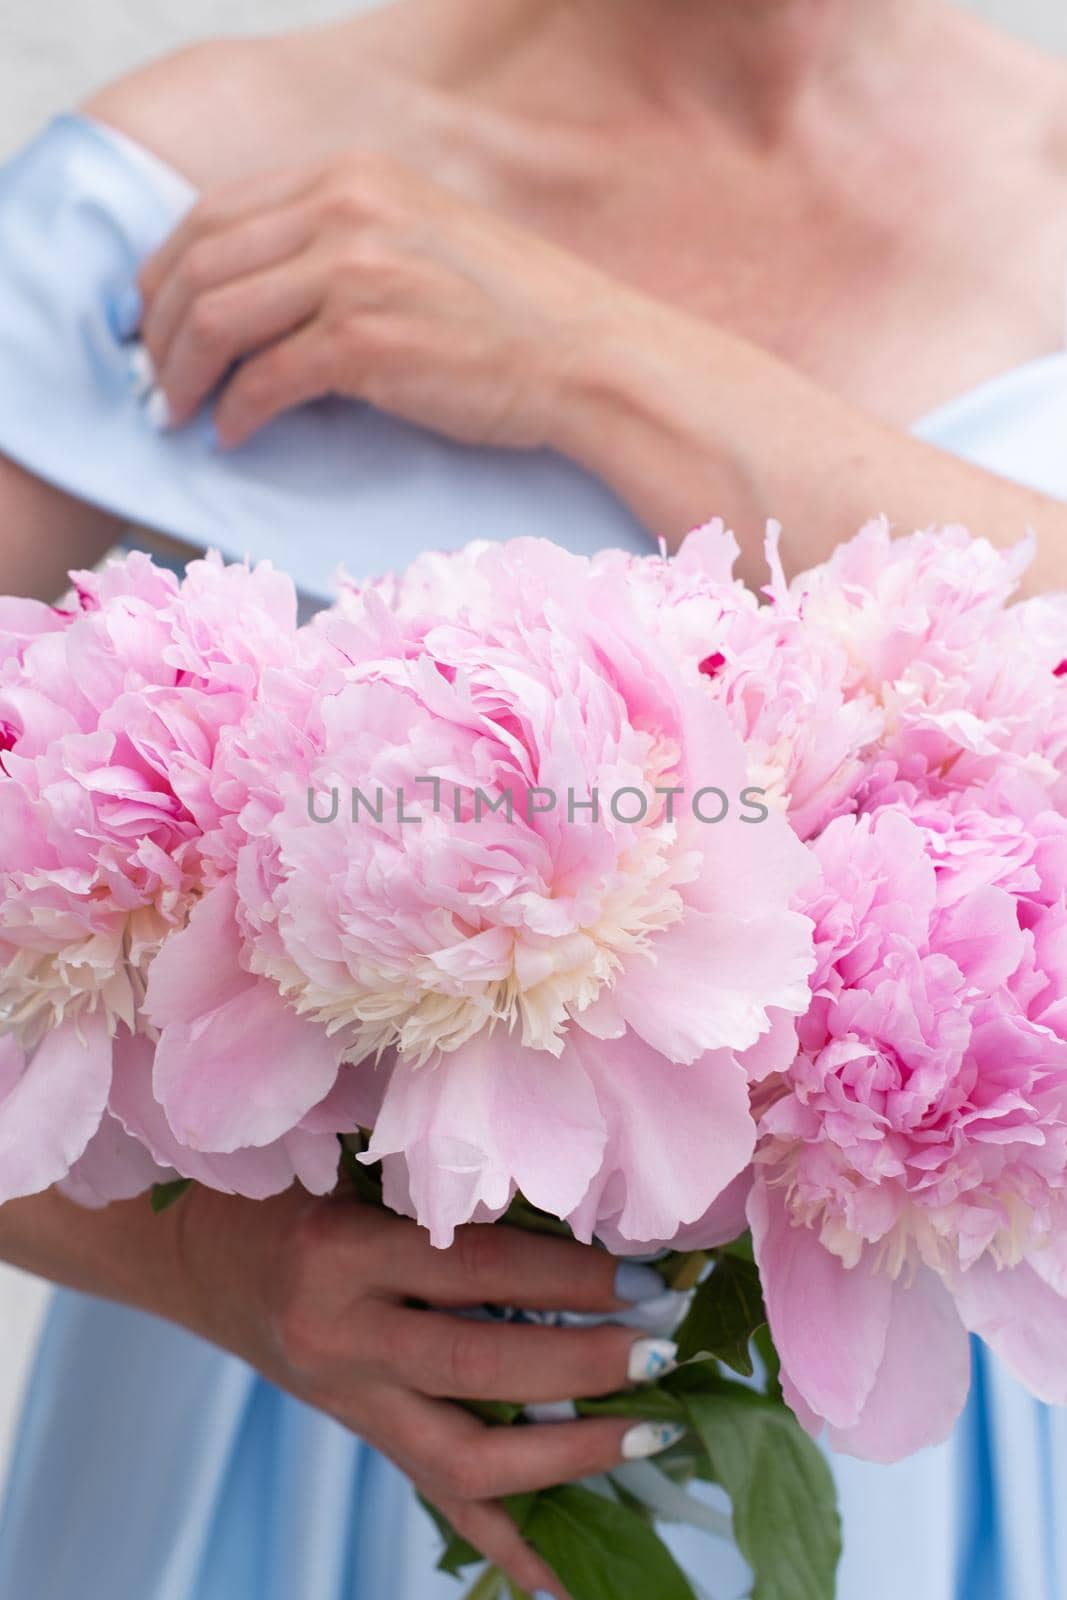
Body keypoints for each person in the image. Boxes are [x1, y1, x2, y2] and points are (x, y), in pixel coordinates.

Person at [0, 1, 1064, 1595]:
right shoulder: (181, 202)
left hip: (947, 1400)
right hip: (283, 1441)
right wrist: (200, 1262)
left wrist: (601, 362)